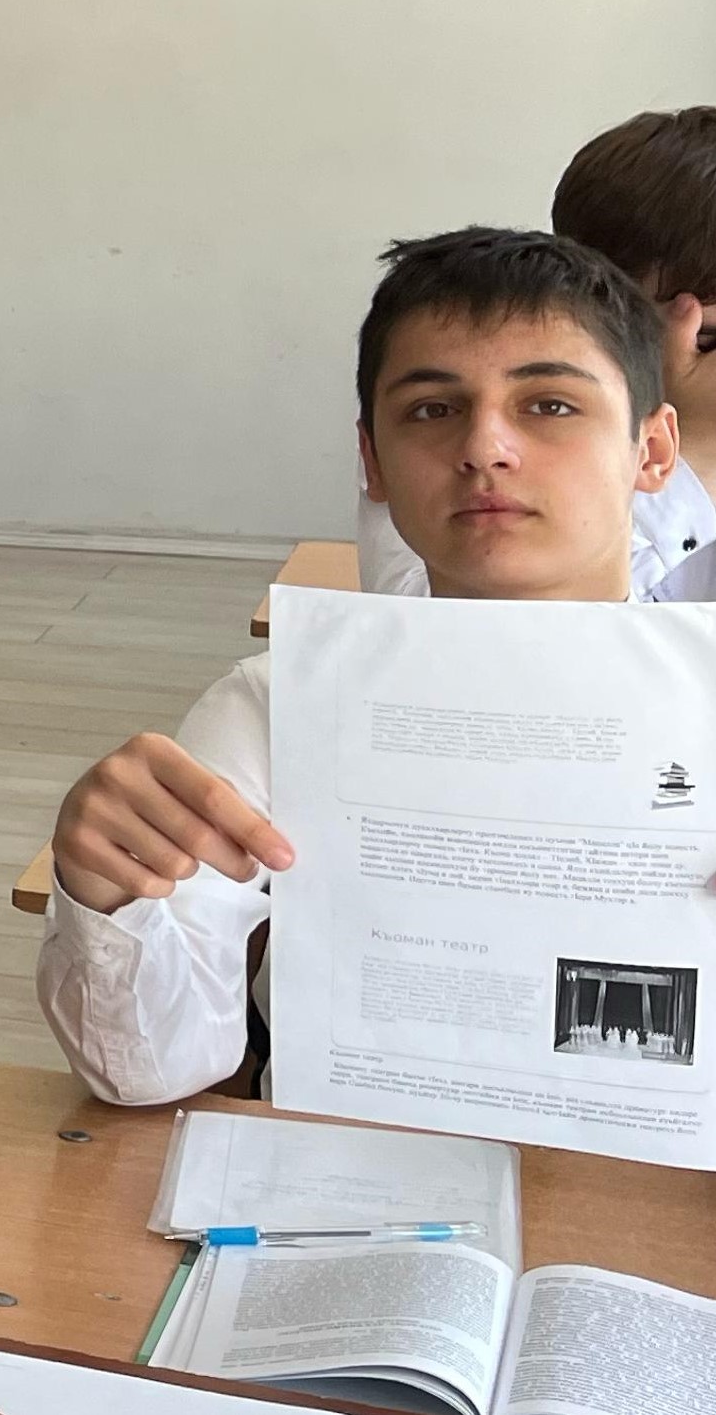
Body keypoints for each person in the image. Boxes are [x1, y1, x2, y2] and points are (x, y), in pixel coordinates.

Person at [39, 227, 682, 1107]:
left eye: (550, 405)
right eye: (433, 410)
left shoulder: (696, 707)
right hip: (357, 1164)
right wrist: (108, 895)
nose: (486, 447)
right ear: (372, 461)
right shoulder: (277, 710)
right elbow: (149, 1071)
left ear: (652, 450)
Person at [358, 109, 716, 597]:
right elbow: (428, 609)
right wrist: (694, 449)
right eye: (706, 338)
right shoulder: (439, 397)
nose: (485, 449)